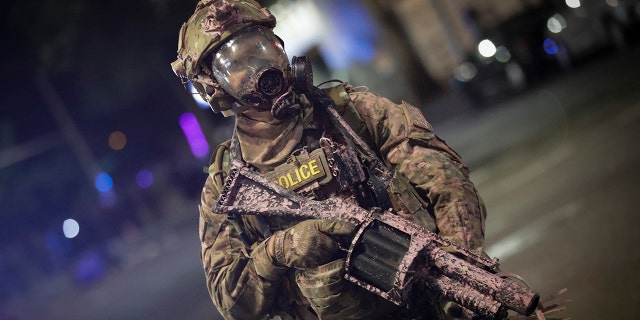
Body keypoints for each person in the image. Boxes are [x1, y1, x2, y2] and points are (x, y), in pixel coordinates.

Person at [171, 1, 487, 319]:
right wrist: (278, 250)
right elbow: (231, 301)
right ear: (214, 87)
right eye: (236, 63)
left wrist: (460, 265)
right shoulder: (227, 183)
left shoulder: (353, 114)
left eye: (261, 47)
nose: (258, 65)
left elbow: (444, 181)